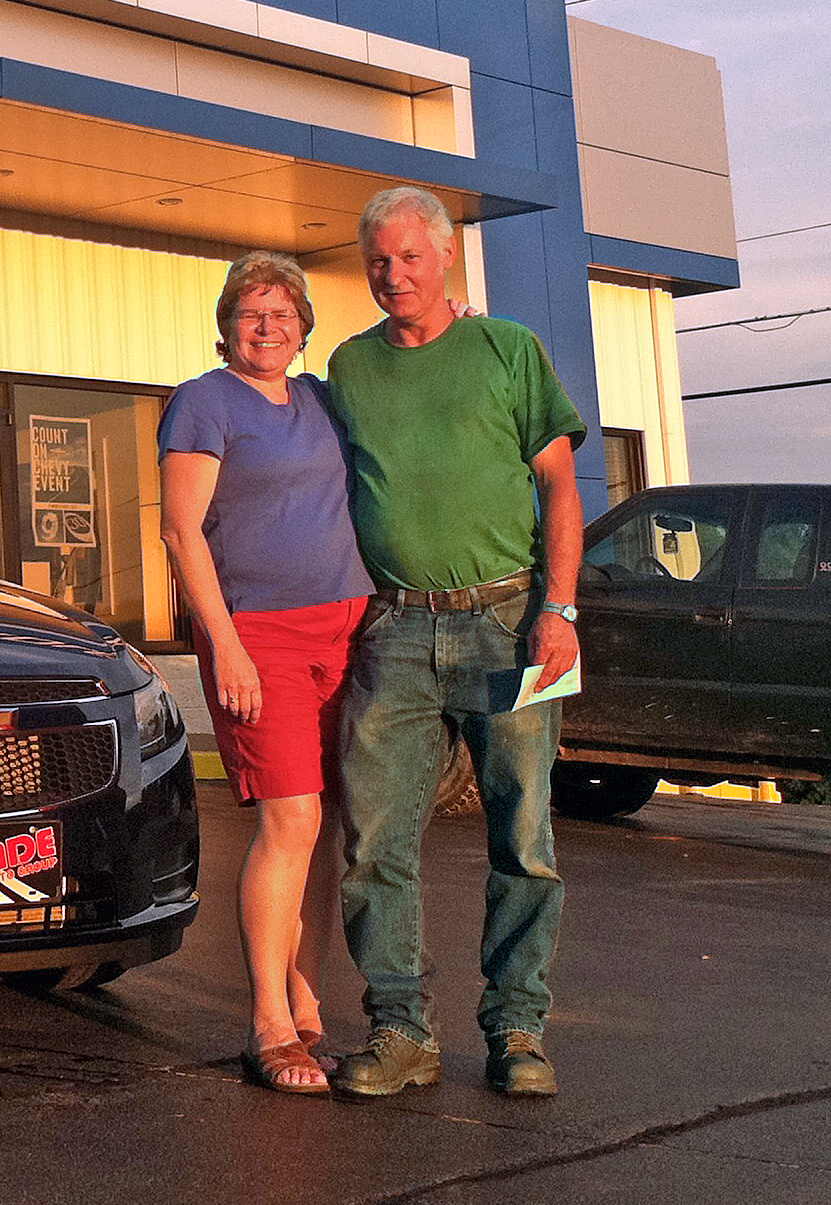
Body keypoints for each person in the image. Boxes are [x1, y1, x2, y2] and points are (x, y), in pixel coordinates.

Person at [324, 185, 586, 1102]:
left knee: (524, 835)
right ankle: (401, 1032)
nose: (393, 275)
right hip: (393, 628)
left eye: (409, 257)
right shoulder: (348, 368)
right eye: (378, 262)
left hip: (509, 622)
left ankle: (518, 1028)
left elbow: (560, 488)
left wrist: (562, 610)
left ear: (447, 262)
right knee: (372, 842)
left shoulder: (508, 349)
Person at [158, 251, 374, 1096]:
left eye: (283, 313)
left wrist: (460, 327)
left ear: (304, 325)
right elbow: (182, 533)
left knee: (323, 824)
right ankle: (268, 1026)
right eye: (252, 312)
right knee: (288, 822)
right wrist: (229, 646)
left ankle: (310, 1009)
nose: (267, 326)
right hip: (260, 637)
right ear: (226, 323)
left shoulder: (320, 397)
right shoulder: (204, 401)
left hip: (348, 628)